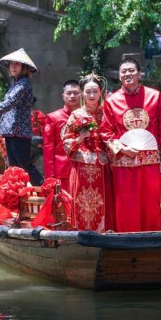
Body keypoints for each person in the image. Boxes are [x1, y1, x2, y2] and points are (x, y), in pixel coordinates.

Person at [101, 57, 161, 232]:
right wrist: (122, 148)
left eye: (131, 70)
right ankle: (126, 239)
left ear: (139, 73)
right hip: (123, 162)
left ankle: (151, 237)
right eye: (124, 71)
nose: (128, 74)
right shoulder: (111, 101)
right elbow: (105, 132)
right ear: (119, 76)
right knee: (126, 204)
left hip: (150, 162)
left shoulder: (155, 96)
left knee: (149, 203)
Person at [0, 48, 44, 185]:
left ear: (24, 67)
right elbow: (8, 105)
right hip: (11, 132)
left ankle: (44, 188)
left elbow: (11, 102)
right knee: (14, 167)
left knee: (24, 165)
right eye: (11, 64)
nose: (13, 67)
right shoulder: (16, 83)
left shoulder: (23, 84)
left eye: (17, 64)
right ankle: (18, 192)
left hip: (19, 131)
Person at [62, 73, 111, 232]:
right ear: (82, 93)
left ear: (101, 93)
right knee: (82, 202)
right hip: (82, 166)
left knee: (104, 201)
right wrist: (79, 139)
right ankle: (81, 233)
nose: (91, 95)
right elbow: (66, 141)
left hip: (104, 166)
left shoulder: (107, 114)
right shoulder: (76, 115)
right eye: (88, 92)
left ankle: (105, 231)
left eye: (95, 91)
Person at [42, 80, 81, 192]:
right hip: (62, 171)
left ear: (81, 94)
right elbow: (48, 149)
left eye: (76, 93)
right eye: (69, 93)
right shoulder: (53, 118)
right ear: (63, 96)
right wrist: (50, 177)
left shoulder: (87, 116)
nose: (72, 96)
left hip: (84, 168)